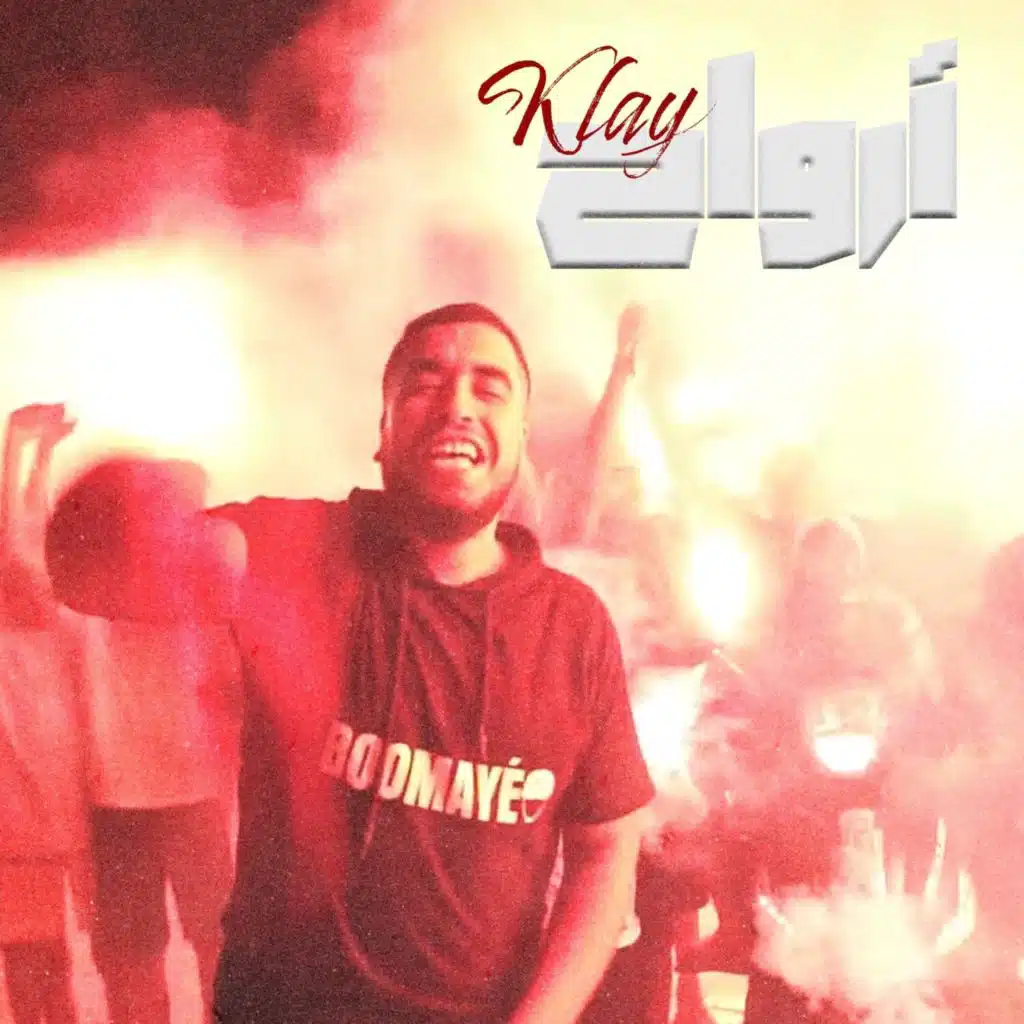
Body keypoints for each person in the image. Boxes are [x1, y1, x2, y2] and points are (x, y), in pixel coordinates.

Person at [45, 301, 655, 1024]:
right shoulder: (301, 550)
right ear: (383, 432)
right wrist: (140, 509)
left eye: (489, 388)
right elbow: (89, 574)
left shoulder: (573, 628)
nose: (457, 405)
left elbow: (605, 849)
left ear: (520, 438)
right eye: (424, 383)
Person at [79, 518, 241, 1024]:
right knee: (179, 951)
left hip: (147, 797)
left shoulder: (195, 592)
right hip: (137, 797)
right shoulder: (194, 593)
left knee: (175, 953)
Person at [0, 403, 88, 1024]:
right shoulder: (31, 641)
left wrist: (33, 453)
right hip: (26, 830)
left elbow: (25, 531)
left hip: (33, 829)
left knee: (39, 968)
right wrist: (21, 450)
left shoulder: (46, 639)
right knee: (37, 968)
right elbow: (18, 536)